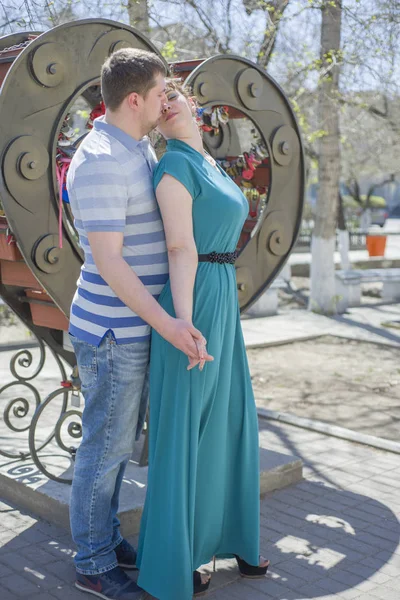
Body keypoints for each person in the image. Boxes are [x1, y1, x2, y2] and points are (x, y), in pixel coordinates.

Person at [66, 49, 211, 600]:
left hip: (132, 328)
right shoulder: (102, 158)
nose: (165, 101)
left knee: (118, 445)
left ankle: (102, 536)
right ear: (134, 100)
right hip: (112, 334)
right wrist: (170, 325)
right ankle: (92, 562)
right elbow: (110, 262)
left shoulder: (137, 147)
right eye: (159, 94)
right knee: (104, 449)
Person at [136, 79, 269, 600]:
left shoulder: (210, 162)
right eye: (157, 101)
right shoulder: (173, 166)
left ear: (194, 104)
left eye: (173, 95)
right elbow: (178, 248)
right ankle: (182, 556)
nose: (166, 105)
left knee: (231, 421)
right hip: (193, 302)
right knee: (188, 429)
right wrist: (185, 324)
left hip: (220, 298)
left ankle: (236, 536)